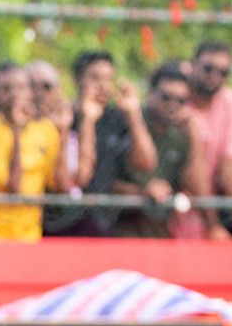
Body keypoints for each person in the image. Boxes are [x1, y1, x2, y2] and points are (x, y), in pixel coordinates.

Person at [44, 52, 157, 238]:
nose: (103, 86)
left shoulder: (116, 119)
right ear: (77, 79)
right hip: (58, 225)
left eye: (109, 79)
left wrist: (133, 114)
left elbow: (146, 163)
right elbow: (80, 179)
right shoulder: (61, 119)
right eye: (95, 78)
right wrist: (87, 121)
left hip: (101, 227)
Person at [0, 64, 70, 241]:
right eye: (6, 88)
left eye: (21, 87)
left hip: (29, 236)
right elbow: (13, 188)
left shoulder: (46, 129)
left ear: (31, 91)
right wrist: (17, 130)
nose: (15, 94)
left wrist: (63, 133)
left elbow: (60, 186)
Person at [112, 63, 202, 239]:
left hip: (159, 233)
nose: (173, 105)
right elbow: (105, 183)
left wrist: (194, 135)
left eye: (181, 100)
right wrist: (142, 192)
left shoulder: (181, 135)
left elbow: (195, 187)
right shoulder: (123, 121)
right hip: (120, 229)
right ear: (150, 93)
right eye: (166, 97)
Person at [187, 41, 232, 241]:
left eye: (223, 72)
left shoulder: (231, 101)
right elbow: (193, 167)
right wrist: (212, 225)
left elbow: (230, 164)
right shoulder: (177, 100)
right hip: (178, 204)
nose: (215, 76)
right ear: (193, 66)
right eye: (208, 68)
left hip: (213, 205)